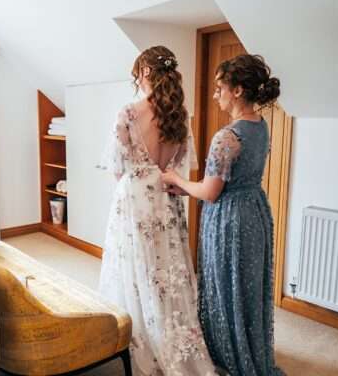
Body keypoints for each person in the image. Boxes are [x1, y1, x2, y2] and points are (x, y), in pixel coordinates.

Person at [162, 54, 285, 376]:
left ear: (239, 90)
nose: (216, 94)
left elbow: (211, 191)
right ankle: (249, 346)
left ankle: (228, 353)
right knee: (245, 285)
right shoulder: (260, 127)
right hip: (255, 211)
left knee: (223, 283)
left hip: (229, 218)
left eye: (220, 88)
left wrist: (176, 180)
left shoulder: (227, 136)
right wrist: (189, 187)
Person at [99, 46, 216, 376]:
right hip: (167, 195)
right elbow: (181, 167)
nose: (135, 77)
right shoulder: (179, 115)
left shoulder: (128, 113)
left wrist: (137, 180)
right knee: (167, 271)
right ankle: (174, 333)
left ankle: (139, 338)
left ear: (146, 72)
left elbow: (116, 167)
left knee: (136, 270)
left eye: (137, 71)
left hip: (135, 198)